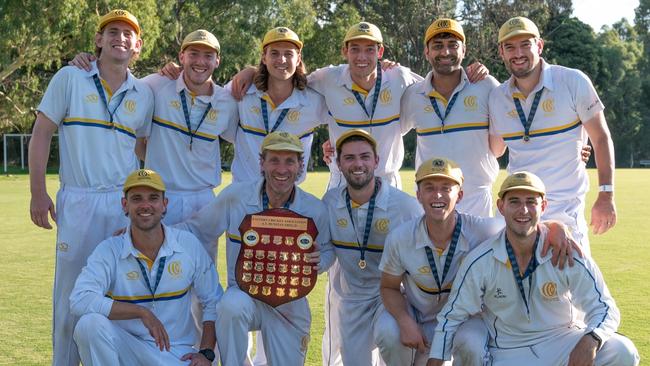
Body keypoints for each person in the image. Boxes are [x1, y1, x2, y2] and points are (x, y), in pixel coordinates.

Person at [28, 9, 154, 366]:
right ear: (99, 40)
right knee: (71, 297)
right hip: (79, 202)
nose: (120, 38)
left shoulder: (143, 92)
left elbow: (143, 146)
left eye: (128, 34)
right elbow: (41, 132)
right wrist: (38, 191)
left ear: (138, 45)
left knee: (120, 292)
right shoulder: (71, 76)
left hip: (121, 205)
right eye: (112, 31)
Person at [378, 158, 580, 365]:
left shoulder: (483, 230)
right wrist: (405, 321)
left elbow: (522, 224)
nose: (437, 195)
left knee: (471, 345)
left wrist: (555, 227)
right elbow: (389, 287)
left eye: (446, 188)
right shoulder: (400, 237)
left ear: (460, 195)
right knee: (387, 331)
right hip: (417, 312)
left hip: (466, 317)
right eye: (429, 188)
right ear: (418, 195)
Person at [427, 171, 639, 366]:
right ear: (501, 207)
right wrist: (436, 358)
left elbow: (605, 307)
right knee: (468, 340)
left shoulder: (566, 251)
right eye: (514, 202)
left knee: (622, 351)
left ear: (543, 206)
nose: (524, 210)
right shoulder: (480, 260)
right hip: (508, 350)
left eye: (531, 202)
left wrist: (591, 339)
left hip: (562, 341)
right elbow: (452, 315)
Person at [176, 131, 334, 366]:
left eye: (289, 161)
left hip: (289, 301)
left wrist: (318, 260)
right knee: (230, 305)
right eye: (274, 160)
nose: (282, 169)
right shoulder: (236, 196)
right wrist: (142, 234)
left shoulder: (313, 208)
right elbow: (197, 228)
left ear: (301, 165)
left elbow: (330, 251)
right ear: (262, 163)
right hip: (244, 294)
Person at [488, 16, 617, 253]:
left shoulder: (572, 80)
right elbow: (496, 149)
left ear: (539, 45)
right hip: (518, 211)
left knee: (573, 287)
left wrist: (606, 194)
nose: (518, 53)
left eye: (525, 44)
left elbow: (601, 138)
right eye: (510, 47)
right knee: (508, 286)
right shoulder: (497, 97)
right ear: (501, 53)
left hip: (565, 212)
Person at [69, 169, 222, 366]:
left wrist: (207, 353)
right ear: (125, 205)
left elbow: (213, 301)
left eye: (153, 198)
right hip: (129, 350)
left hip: (177, 354)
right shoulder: (109, 249)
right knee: (88, 326)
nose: (145, 205)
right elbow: (79, 299)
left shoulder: (188, 245)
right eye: (137, 198)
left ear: (164, 204)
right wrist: (142, 313)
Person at [321, 129, 423, 365]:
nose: (358, 164)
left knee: (392, 335)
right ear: (338, 163)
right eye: (349, 158)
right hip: (351, 301)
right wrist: (311, 263)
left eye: (365, 156)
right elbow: (326, 252)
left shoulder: (405, 207)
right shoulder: (330, 202)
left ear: (376, 161)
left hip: (390, 297)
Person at [400, 18, 500, 217]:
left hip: (476, 202)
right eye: (437, 46)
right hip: (431, 203)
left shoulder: (486, 86)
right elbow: (387, 134)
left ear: (463, 50)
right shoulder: (413, 94)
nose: (445, 52)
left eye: (452, 45)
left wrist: (580, 144)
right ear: (427, 52)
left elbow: (513, 130)